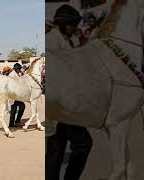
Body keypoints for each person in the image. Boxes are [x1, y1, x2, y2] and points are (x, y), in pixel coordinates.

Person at [46, 5, 93, 180]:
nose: (76, 28)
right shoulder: (52, 40)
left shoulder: (66, 40)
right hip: (60, 105)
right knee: (83, 143)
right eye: (73, 24)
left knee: (55, 152)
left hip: (63, 105)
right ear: (65, 24)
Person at [8, 63, 25, 127]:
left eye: (19, 69)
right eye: (18, 69)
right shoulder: (11, 75)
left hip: (17, 94)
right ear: (15, 69)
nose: (19, 70)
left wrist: (22, 75)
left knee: (14, 109)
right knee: (17, 108)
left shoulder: (19, 74)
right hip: (13, 94)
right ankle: (15, 122)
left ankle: (12, 123)